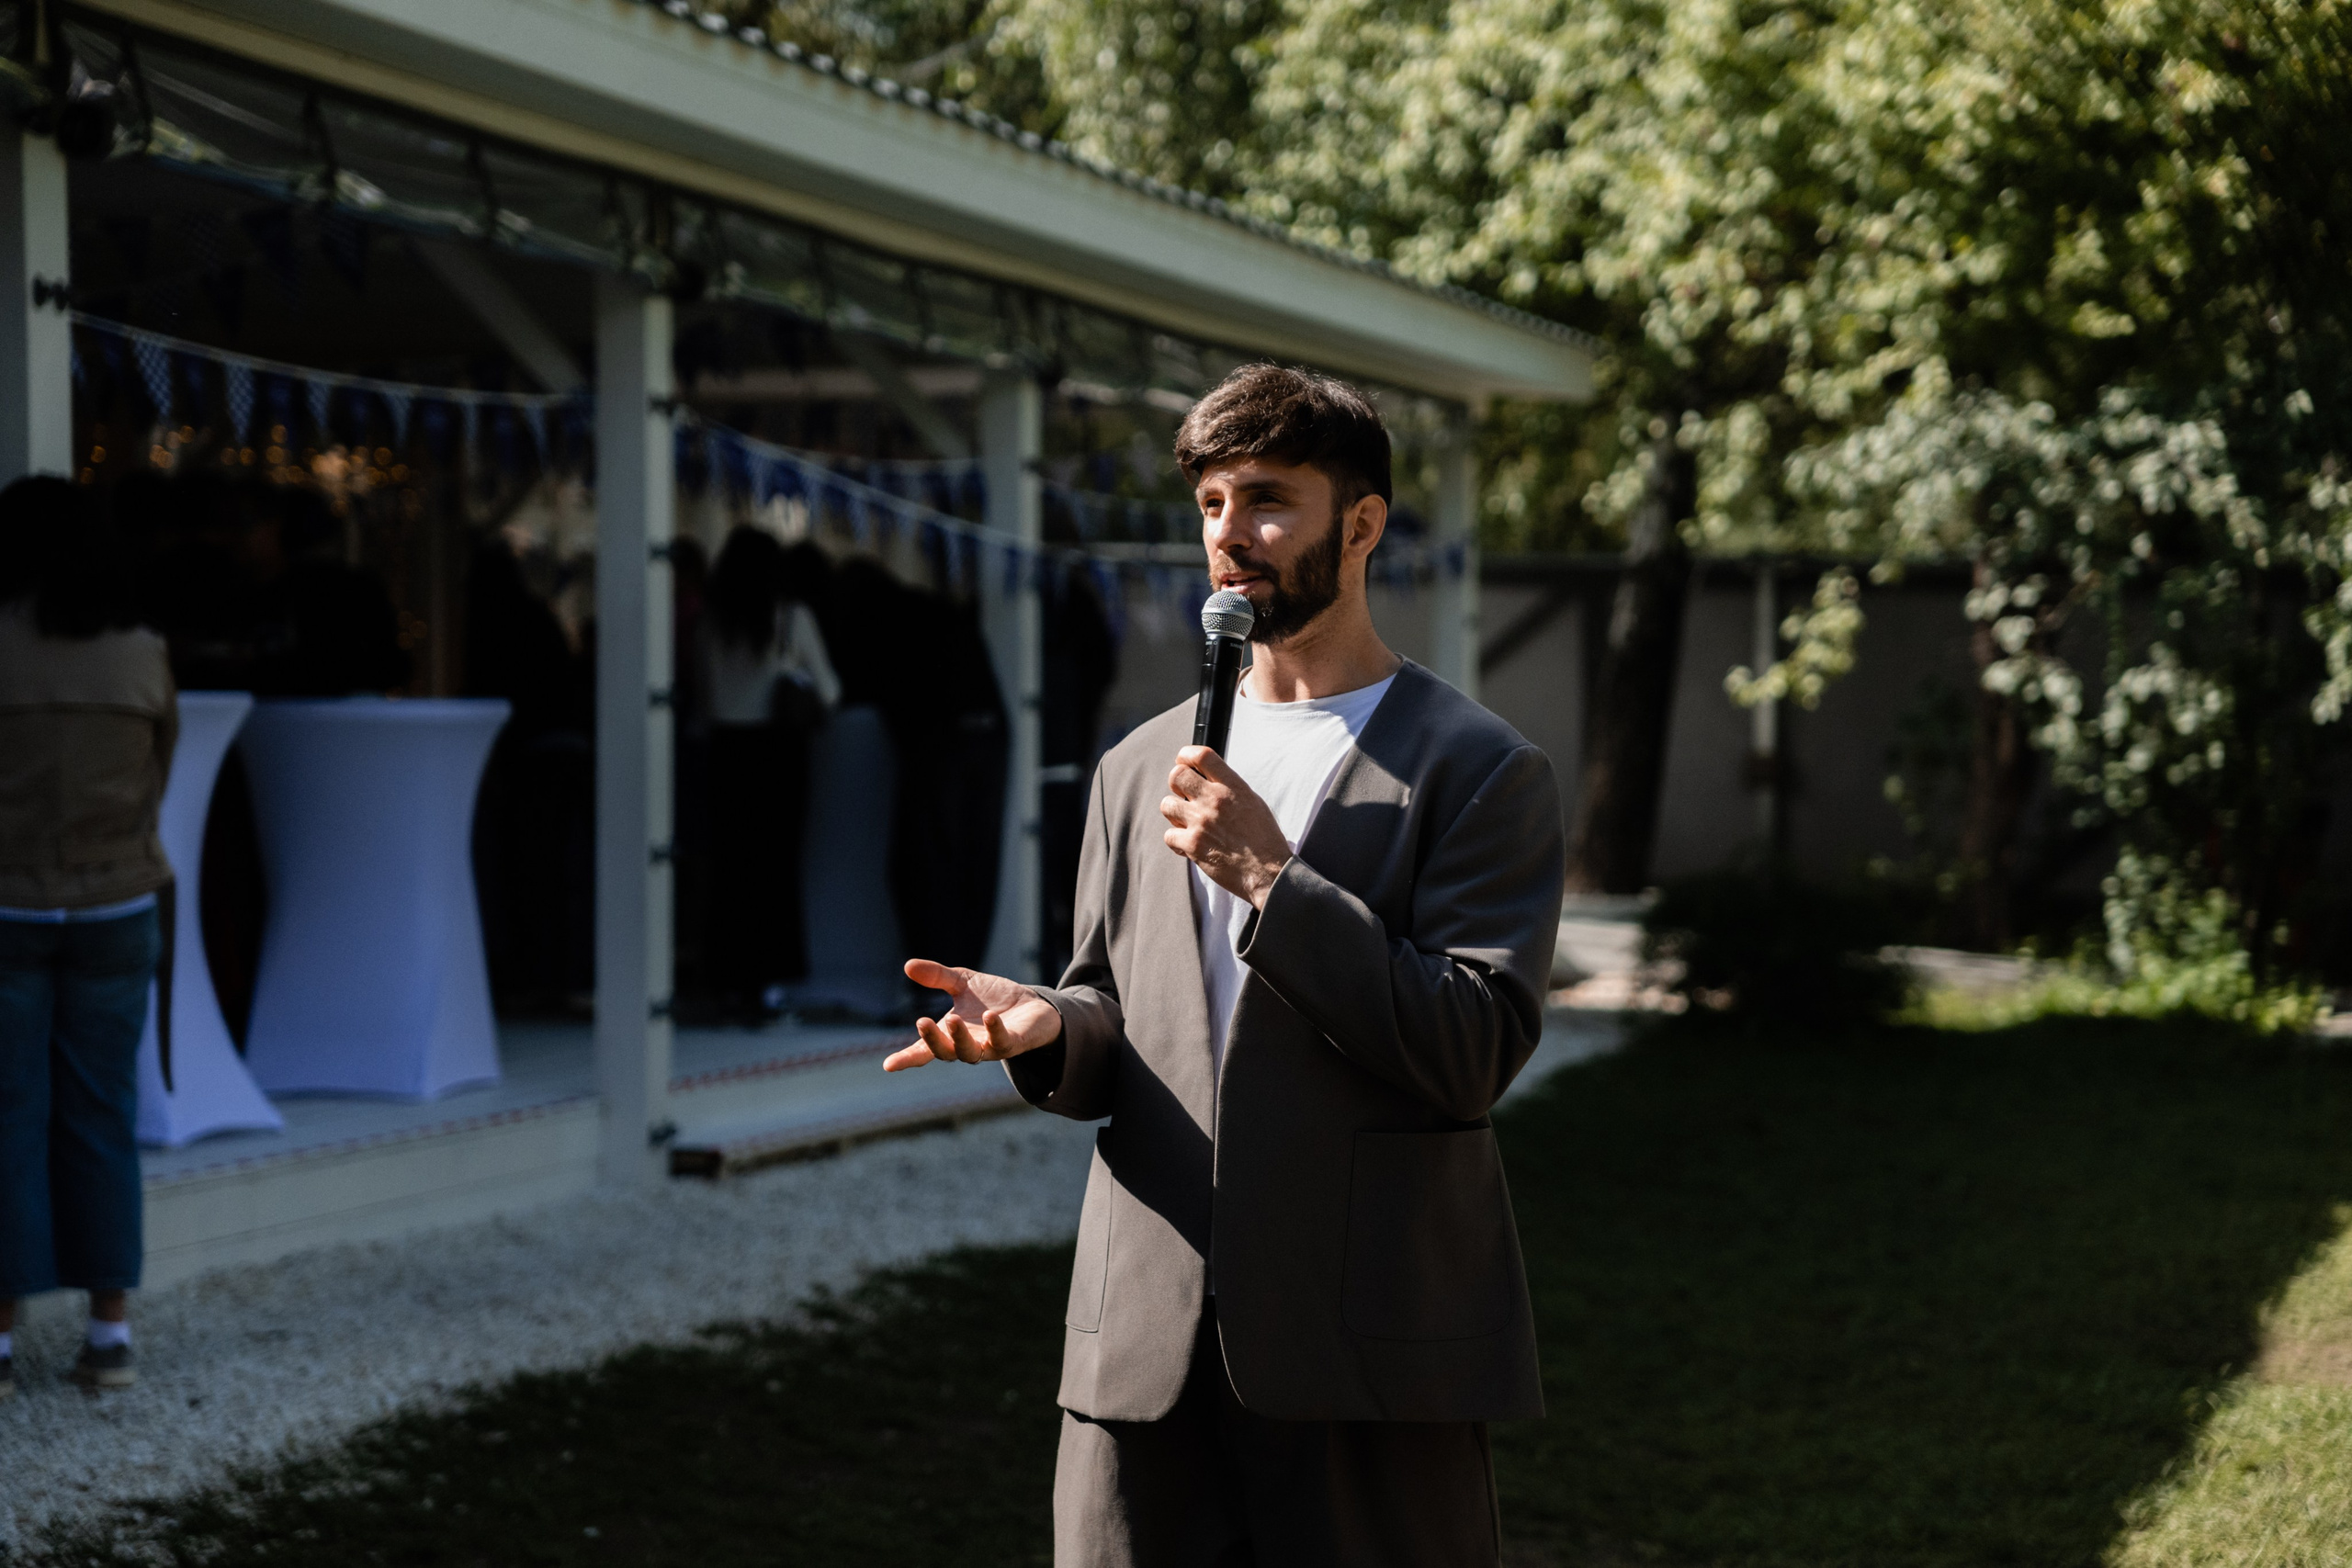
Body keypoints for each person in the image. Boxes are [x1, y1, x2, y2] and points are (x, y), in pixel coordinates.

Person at [885, 365, 1566, 1564]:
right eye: (1208, 503)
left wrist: (1269, 875)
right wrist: (1043, 1026)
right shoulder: (1137, 765)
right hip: (1142, 1349)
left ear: (1362, 523)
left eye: (1266, 500)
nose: (1228, 536)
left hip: (1364, 1353)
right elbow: (1111, 1008)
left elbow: (1467, 1049)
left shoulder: (1479, 768)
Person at [0, 477, 179, 1399]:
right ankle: (109, 1333)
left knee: (7, 1117)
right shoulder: (143, 652)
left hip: (10, 903)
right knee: (102, 1115)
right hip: (118, 903)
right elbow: (161, 779)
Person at [701, 525, 840, 1021]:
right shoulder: (791, 618)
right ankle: (767, 985)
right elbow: (829, 691)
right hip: (777, 755)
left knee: (727, 869)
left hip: (723, 751)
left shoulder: (711, 619)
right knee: (774, 871)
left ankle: (726, 979)